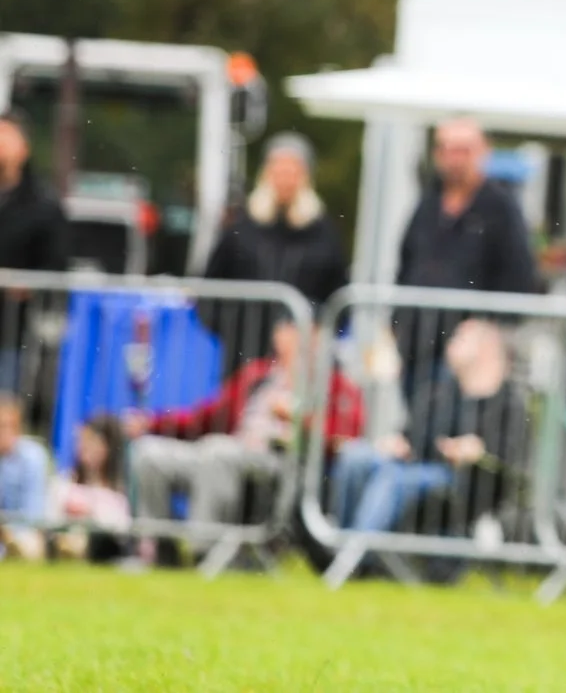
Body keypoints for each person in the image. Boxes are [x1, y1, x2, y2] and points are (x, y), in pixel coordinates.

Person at [126, 316, 363, 558]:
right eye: (287, 329)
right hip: (226, 453)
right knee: (149, 453)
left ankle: (204, 551)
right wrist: (150, 422)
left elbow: (344, 437)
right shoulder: (257, 374)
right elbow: (206, 417)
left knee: (218, 452)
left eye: (301, 331)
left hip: (276, 465)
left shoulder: (335, 386)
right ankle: (159, 550)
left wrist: (297, 420)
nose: (291, 337)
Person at [329, 318, 530, 538]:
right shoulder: (441, 391)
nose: (451, 343)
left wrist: (477, 452)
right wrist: (399, 444)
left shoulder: (510, 403)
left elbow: (507, 461)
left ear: (487, 348)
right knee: (356, 456)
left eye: (461, 338)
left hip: (464, 482)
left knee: (393, 478)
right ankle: (342, 545)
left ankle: (356, 552)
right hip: (417, 464)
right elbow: (412, 433)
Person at [393, 119, 539, 386]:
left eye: (463, 150)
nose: (455, 159)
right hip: (419, 343)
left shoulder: (500, 207)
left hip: (471, 350)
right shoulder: (428, 203)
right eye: (448, 150)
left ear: (483, 152)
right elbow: (406, 264)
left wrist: (492, 323)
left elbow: (519, 272)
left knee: (461, 425)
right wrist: (396, 325)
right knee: (417, 421)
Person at [203, 134, 349, 310]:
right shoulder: (242, 226)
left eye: (292, 172)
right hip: (245, 335)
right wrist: (231, 329)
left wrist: (314, 324)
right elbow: (210, 287)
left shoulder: (322, 231)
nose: (285, 181)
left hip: (302, 335)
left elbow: (338, 294)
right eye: (279, 172)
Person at [46, 415, 132, 564]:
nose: (85, 447)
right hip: (65, 537)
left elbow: (120, 531)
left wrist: (90, 513)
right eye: (82, 441)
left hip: (99, 548)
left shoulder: (119, 490)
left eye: (92, 441)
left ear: (108, 447)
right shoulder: (66, 481)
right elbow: (51, 515)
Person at [0, 112, 69, 276]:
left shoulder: (44, 207)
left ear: (24, 149)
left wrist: (23, 287)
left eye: (6, 137)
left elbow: (55, 265)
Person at [0, 391, 50, 559]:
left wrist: (8, 532)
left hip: (22, 532)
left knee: (28, 544)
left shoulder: (33, 457)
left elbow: (33, 515)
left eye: (4, 426)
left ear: (17, 427)